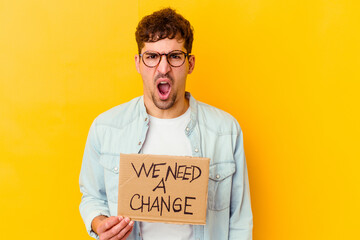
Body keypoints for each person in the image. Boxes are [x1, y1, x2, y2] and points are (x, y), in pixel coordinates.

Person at [79, 8, 253, 240]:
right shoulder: (105, 128)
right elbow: (91, 196)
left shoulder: (226, 131)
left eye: (174, 56)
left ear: (190, 64)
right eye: (151, 56)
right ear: (138, 63)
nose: (163, 68)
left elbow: (239, 222)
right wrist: (98, 222)